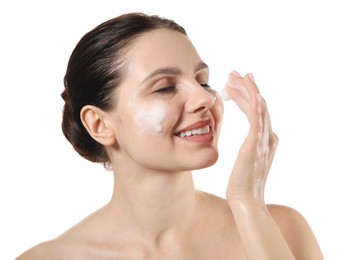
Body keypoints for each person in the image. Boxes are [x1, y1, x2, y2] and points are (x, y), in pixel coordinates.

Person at [17, 12, 323, 259]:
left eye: (203, 82)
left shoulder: (280, 230)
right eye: (165, 87)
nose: (205, 99)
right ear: (99, 125)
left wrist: (247, 203)